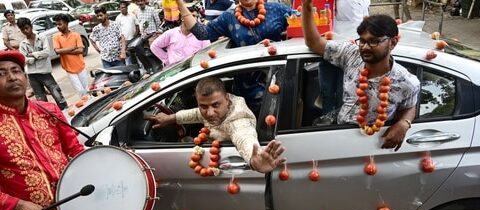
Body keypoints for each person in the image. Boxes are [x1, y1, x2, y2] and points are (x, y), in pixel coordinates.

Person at [0, 50, 118, 210]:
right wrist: (14, 204)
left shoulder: (49, 110)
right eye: (2, 73)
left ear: (26, 78)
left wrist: (97, 174)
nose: (11, 77)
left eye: (16, 71)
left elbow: (74, 150)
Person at [302, 3, 420, 151]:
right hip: (339, 134)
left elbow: (409, 106)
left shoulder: (407, 82)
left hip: (375, 145)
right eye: (362, 40)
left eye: (374, 41)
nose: (365, 47)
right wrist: (306, 7)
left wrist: (404, 123)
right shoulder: (352, 55)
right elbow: (314, 42)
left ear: (393, 42)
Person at [144, 76, 285, 173]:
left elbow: (244, 137)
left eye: (215, 105)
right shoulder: (213, 109)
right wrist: (171, 118)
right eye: (204, 106)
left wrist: (254, 161)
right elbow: (196, 114)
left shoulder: (238, 120)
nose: (210, 113)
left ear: (227, 99)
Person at [175, 0, 293, 114]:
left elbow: (300, 21)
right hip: (247, 88)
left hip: (279, 79)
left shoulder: (276, 9)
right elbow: (202, 33)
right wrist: (180, 3)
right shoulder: (229, 18)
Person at [18, 17, 68, 110]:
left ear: (31, 26)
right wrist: (35, 58)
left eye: (26, 28)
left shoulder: (41, 37)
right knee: (40, 97)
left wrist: (32, 55)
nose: (25, 31)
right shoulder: (23, 44)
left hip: (45, 71)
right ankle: (47, 114)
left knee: (56, 92)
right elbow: (24, 59)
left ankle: (65, 110)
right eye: (22, 30)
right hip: (32, 74)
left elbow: (47, 53)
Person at [52, 14, 89, 98]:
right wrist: (72, 48)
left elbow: (80, 50)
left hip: (81, 66)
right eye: (56, 24)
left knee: (86, 90)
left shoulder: (76, 35)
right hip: (69, 69)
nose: (58, 26)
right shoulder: (56, 37)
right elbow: (57, 51)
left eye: (60, 24)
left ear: (66, 23)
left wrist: (64, 51)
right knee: (80, 91)